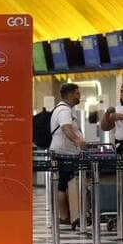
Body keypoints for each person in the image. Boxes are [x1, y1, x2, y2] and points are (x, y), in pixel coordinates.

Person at [49, 83, 85, 226]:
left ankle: (66, 216)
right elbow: (66, 128)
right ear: (70, 95)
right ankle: (67, 216)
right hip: (64, 154)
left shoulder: (64, 109)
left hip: (63, 153)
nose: (79, 96)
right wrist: (78, 141)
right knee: (64, 184)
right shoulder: (64, 110)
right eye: (77, 93)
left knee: (63, 184)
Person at [100, 81, 123, 154]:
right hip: (120, 144)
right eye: (121, 91)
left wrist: (122, 117)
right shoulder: (118, 108)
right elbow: (105, 127)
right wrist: (107, 113)